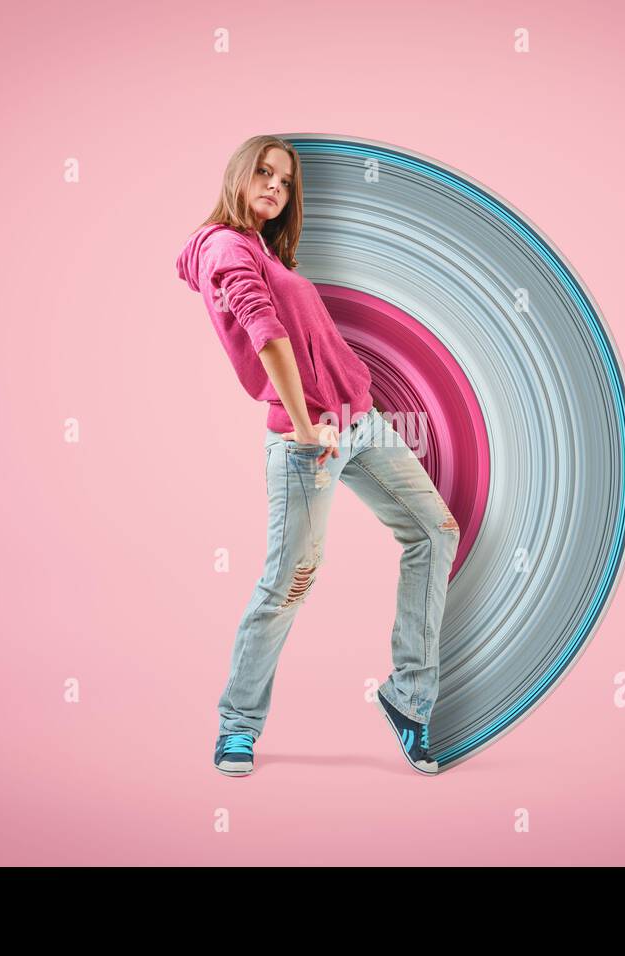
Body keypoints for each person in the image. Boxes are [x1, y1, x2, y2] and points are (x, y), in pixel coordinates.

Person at [175, 135, 460, 776]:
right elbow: (265, 335)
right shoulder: (225, 247)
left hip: (358, 424)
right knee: (290, 582)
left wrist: (343, 405)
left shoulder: (260, 250)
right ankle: (237, 727)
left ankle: (409, 703)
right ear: (238, 176)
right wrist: (305, 426)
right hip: (309, 443)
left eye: (285, 179)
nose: (275, 186)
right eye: (264, 173)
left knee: (436, 532)